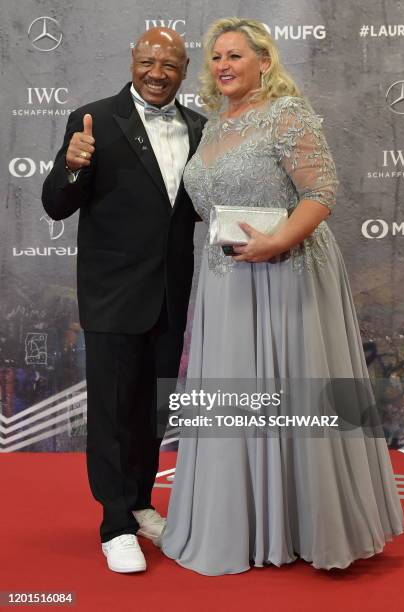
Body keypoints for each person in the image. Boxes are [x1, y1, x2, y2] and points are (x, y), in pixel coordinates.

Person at [161, 18, 404, 575]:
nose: (222, 65)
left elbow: (320, 192)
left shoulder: (288, 114)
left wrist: (277, 243)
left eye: (235, 56)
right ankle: (242, 525)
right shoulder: (214, 127)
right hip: (227, 281)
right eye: (216, 57)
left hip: (288, 272)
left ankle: (307, 524)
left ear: (264, 62)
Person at [42, 27, 206, 573]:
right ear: (134, 61)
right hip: (112, 294)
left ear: (184, 71)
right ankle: (114, 524)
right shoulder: (92, 120)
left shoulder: (201, 128)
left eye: (171, 65)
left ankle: (139, 504)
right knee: (113, 413)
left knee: (150, 412)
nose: (158, 73)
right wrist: (72, 164)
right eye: (148, 61)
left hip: (171, 296)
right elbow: (56, 206)